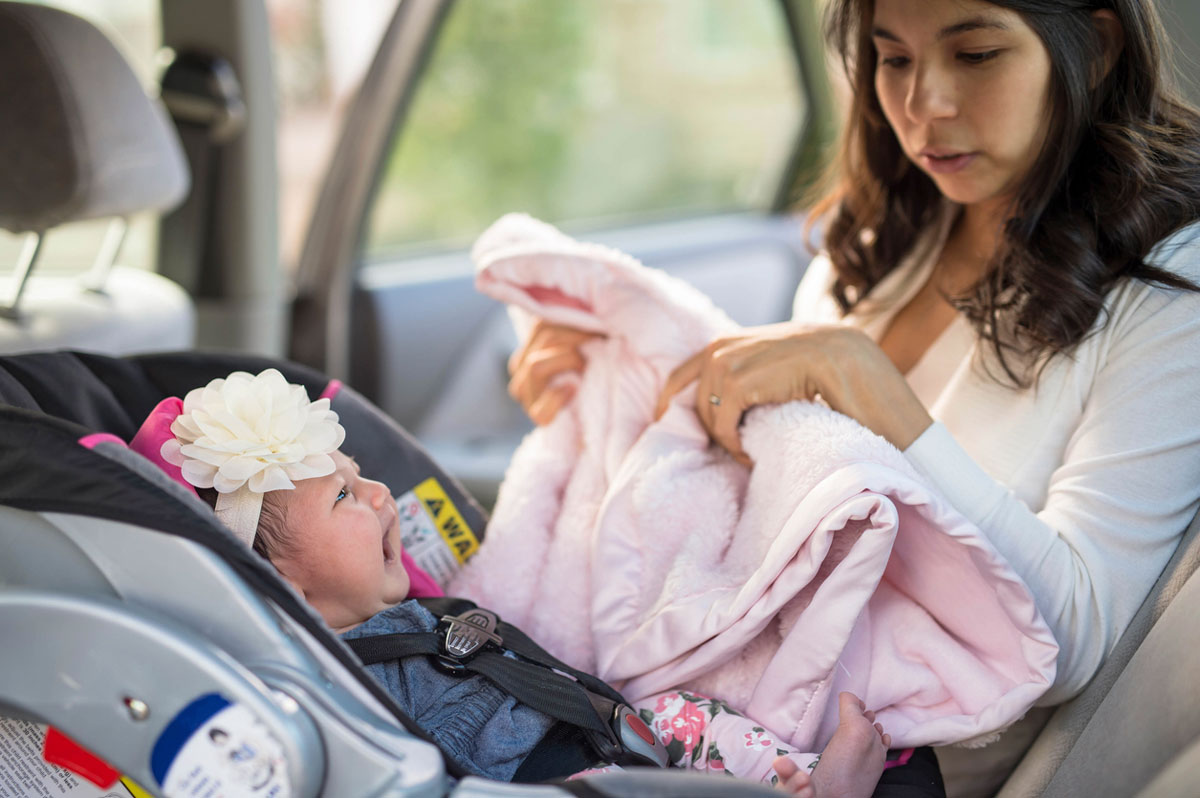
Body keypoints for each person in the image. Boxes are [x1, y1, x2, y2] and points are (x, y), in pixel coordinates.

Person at [507, 0, 1200, 791]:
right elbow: (779, 484)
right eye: (893, 59)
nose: (923, 105)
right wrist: (624, 388)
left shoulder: (1174, 284)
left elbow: (1077, 638)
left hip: (901, 762)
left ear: (1099, 46)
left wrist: (873, 391)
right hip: (738, 717)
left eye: (975, 55)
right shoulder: (875, 244)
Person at [140, 367, 922, 797]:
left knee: (690, 718)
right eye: (343, 496)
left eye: (360, 472)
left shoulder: (416, 603)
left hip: (603, 729)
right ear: (276, 578)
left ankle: (802, 779)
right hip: (537, 784)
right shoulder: (322, 682)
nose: (380, 494)